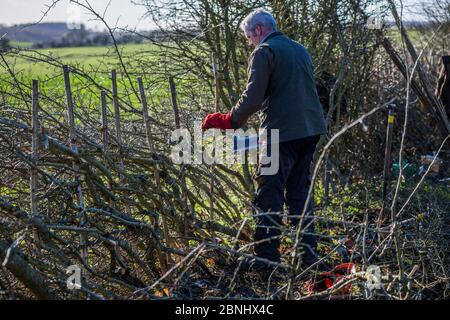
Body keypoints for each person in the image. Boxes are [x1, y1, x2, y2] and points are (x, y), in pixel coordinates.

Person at [202, 9, 328, 272]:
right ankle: (308, 256)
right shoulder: (299, 49)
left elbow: (253, 97)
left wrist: (228, 120)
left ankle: (266, 261)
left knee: (269, 194)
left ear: (258, 30)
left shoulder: (264, 51)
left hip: (280, 134)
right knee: (299, 193)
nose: (249, 42)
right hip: (311, 129)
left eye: (249, 36)